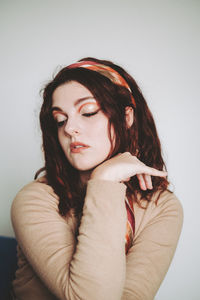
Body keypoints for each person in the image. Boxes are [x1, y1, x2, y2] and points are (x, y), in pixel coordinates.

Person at [11, 57, 183, 300]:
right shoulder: (34, 199)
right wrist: (104, 181)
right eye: (60, 119)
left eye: (88, 112)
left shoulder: (162, 207)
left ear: (127, 118)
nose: (70, 128)